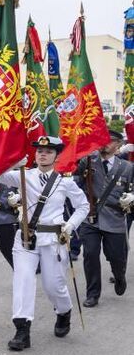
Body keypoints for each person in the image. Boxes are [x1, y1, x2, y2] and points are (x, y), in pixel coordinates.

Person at [0, 136, 89, 350]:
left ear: (56, 156)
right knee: (23, 281)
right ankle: (22, 329)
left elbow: (83, 206)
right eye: (39, 150)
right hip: (26, 238)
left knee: (53, 285)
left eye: (48, 151)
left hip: (53, 239)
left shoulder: (65, 181)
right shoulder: (22, 175)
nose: (42, 153)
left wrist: (70, 225)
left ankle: (64, 311)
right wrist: (11, 163)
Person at [74, 130, 134, 307]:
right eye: (101, 139)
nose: (104, 143)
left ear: (118, 145)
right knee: (90, 254)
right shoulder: (89, 161)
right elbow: (74, 177)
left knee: (117, 257)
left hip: (115, 218)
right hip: (91, 218)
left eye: (109, 141)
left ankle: (119, 275)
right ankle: (92, 294)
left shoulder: (127, 167)